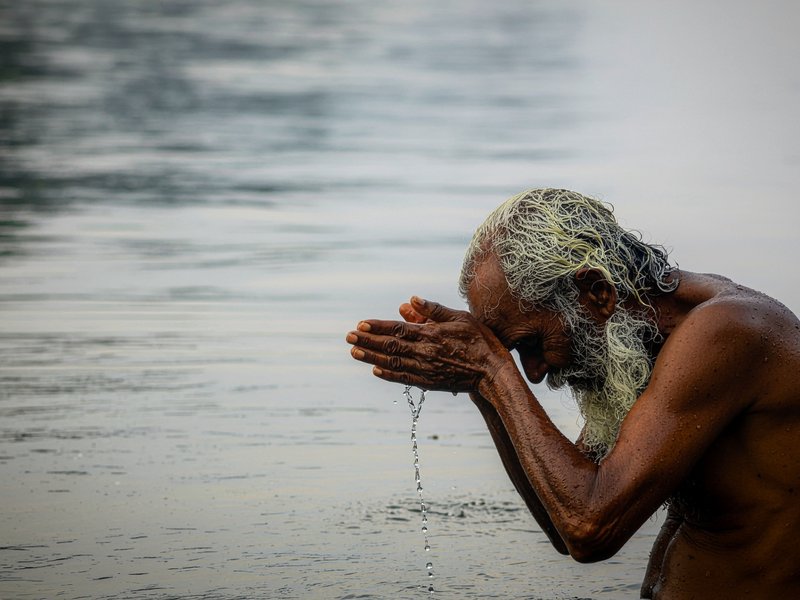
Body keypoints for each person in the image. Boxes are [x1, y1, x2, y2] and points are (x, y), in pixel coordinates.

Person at [346, 188, 800, 598]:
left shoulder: (725, 332)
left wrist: (491, 370)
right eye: (513, 352)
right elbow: (560, 523)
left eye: (530, 345)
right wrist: (476, 383)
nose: (536, 373)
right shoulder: (643, 341)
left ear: (596, 293)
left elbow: (590, 527)